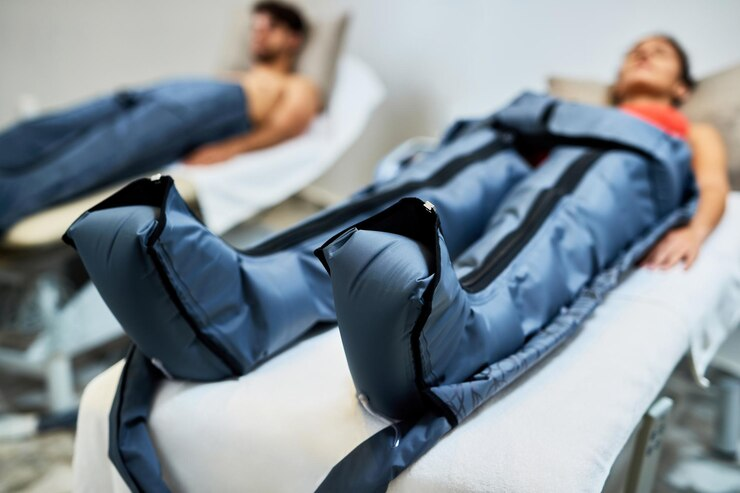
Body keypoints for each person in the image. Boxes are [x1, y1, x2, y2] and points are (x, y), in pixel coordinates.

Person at [0, 1, 320, 233]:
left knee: (90, 157)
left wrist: (230, 149)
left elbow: (289, 126)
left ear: (294, 39)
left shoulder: (296, 84)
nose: (258, 34)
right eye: (255, 28)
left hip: (204, 107)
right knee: (51, 127)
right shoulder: (243, 72)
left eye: (270, 28)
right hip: (171, 92)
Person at [609, 34, 729, 270]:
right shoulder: (575, 122)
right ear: (618, 84)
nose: (644, 55)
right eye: (635, 53)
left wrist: (694, 232)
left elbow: (713, 186)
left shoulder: (695, 133)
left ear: (681, 88)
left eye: (660, 53)